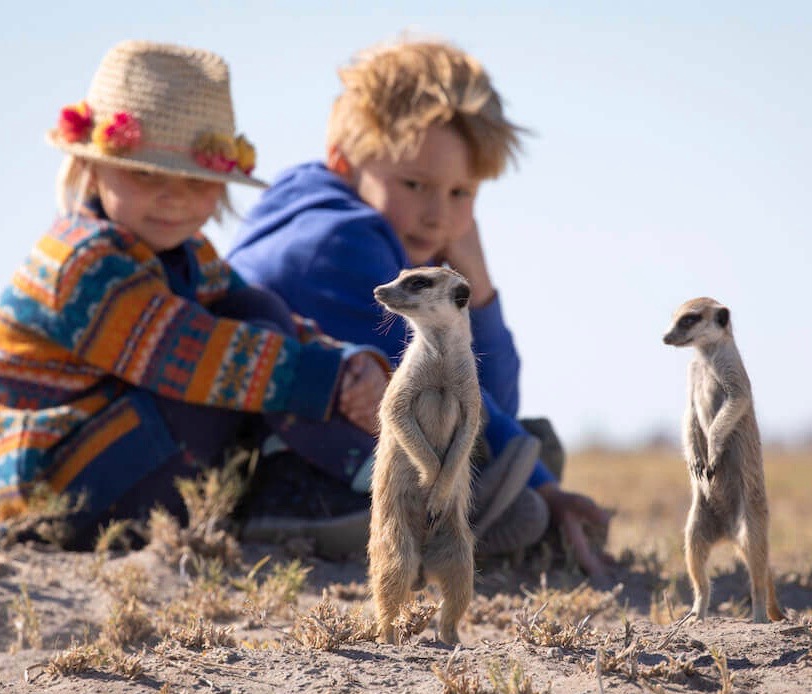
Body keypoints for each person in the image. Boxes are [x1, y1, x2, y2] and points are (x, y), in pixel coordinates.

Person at [0, 40, 390, 552]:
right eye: (144, 174)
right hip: (61, 489)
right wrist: (329, 380)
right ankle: (331, 483)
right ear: (91, 168)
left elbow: (267, 321)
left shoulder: (188, 251)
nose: (173, 197)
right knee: (231, 364)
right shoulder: (80, 263)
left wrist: (349, 365)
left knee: (256, 310)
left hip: (123, 458)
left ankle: (304, 487)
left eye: (196, 181)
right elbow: (191, 356)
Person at [228, 38, 613, 576]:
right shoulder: (337, 239)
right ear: (345, 161)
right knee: (517, 460)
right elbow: (464, 393)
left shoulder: (326, 204)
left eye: (463, 195)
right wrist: (544, 489)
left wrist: (477, 283)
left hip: (319, 436)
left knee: (531, 443)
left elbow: (490, 394)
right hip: (281, 457)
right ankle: (316, 511)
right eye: (415, 185)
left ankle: (480, 508)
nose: (438, 217)